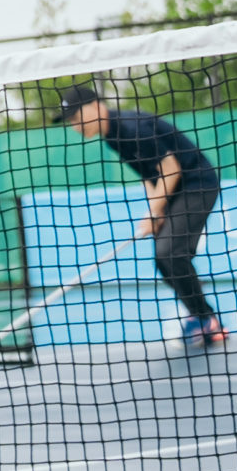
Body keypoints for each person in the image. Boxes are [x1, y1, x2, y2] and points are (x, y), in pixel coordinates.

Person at [54, 83, 227, 348]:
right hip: (174, 191)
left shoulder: (131, 128)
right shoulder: (111, 136)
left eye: (77, 118)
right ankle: (201, 315)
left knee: (170, 253)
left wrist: (154, 211)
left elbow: (171, 169)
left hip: (197, 184)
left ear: (96, 106)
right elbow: (149, 174)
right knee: (165, 260)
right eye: (71, 122)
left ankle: (208, 321)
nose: (76, 126)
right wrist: (156, 211)